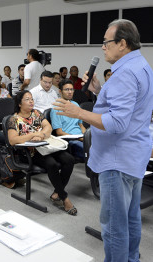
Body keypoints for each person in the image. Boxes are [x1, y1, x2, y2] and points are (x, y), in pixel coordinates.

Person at [53, 19, 153, 261]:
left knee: (115, 227)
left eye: (107, 42)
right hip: (133, 155)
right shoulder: (141, 65)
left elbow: (117, 123)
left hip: (116, 159)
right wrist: (99, 91)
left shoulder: (124, 73)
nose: (102, 47)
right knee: (130, 219)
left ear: (122, 43)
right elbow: (129, 108)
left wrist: (79, 112)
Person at [7, 90, 76, 215]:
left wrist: (42, 135)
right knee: (52, 164)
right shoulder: (14, 119)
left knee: (69, 159)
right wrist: (33, 135)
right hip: (30, 153)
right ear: (19, 104)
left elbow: (48, 127)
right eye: (27, 99)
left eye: (32, 99)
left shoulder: (36, 113)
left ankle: (57, 192)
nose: (31, 101)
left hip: (46, 146)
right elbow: (13, 140)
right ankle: (64, 198)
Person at [50, 79, 86, 159]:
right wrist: (79, 138)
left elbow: (81, 125)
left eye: (71, 89)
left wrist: (86, 137)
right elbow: (59, 132)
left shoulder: (75, 104)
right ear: (60, 91)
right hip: (71, 141)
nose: (70, 92)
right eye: (66, 89)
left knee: (101, 146)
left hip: (81, 138)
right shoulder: (56, 108)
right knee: (92, 151)